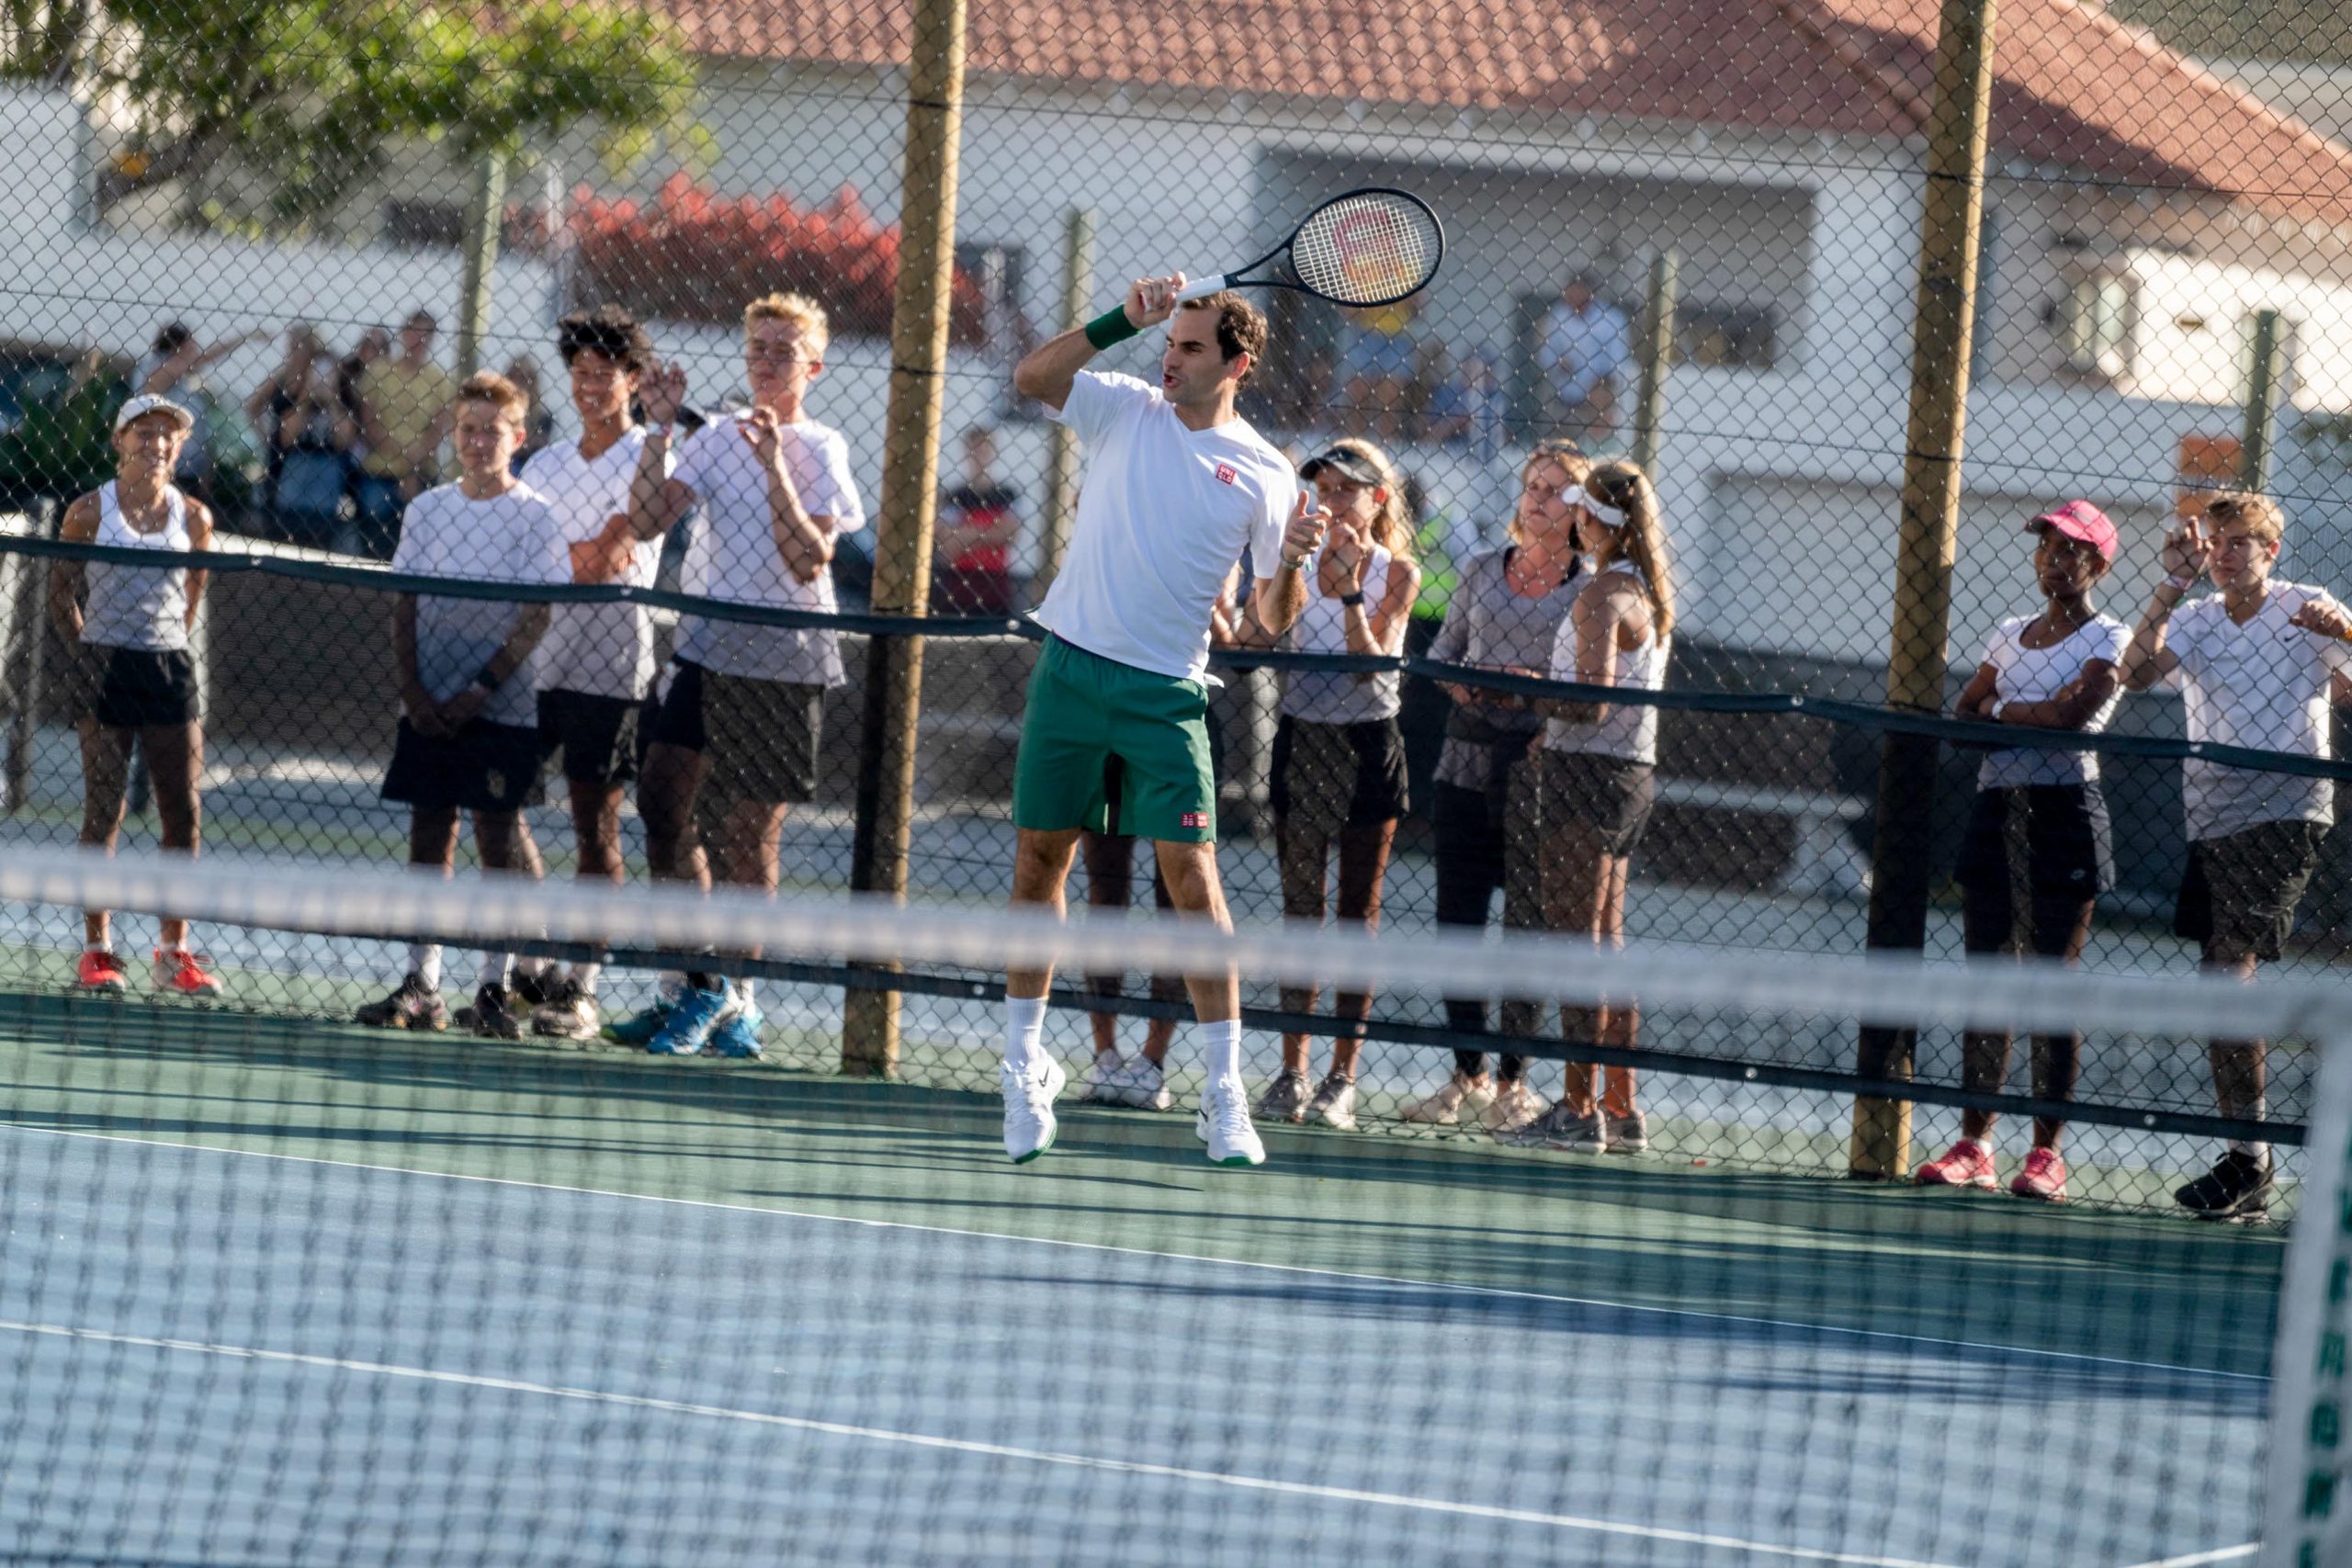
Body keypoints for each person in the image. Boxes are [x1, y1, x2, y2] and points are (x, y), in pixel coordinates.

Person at [997, 276, 1327, 1168]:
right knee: (1039, 865)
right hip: (1069, 671)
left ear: (1236, 365)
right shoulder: (1120, 407)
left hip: (1166, 694)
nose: (1169, 359)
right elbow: (1031, 378)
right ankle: (1023, 1065)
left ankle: (1223, 1096)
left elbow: (1267, 620)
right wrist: (1122, 319)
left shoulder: (1265, 473)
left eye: (1189, 347)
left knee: (1191, 878)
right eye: (1168, 343)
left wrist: (1292, 561)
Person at [597, 292, 865, 1058]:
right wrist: (655, 428)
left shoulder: (824, 447)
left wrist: (775, 461)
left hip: (786, 658)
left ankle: (739, 1002)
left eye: (784, 350)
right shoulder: (709, 438)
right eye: (758, 348)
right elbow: (648, 520)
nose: (767, 360)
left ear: (812, 365)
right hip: (709, 649)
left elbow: (808, 556)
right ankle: (692, 986)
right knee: (662, 800)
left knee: (752, 832)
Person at [2120, 491, 2352, 1223]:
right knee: (2220, 981)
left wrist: (2349, 629)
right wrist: (2170, 581)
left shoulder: (2307, 608)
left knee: (2228, 966)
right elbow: (2131, 672)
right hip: (2212, 818)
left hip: (2287, 811)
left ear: (2269, 551)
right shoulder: (2192, 617)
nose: (2223, 552)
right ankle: (2248, 1156)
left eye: (2239, 541)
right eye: (2216, 541)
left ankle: (2251, 1155)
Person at [1915, 502, 2129, 1204]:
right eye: (2046, 550)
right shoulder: (2008, 634)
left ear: (2098, 565)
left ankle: (2046, 1153)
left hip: (2066, 816)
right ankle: (1975, 1143)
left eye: (2071, 553)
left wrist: (2004, 710)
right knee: (1986, 981)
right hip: (1994, 813)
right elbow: (1962, 719)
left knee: (2049, 984)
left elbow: (2074, 718)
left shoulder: (2110, 635)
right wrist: (2014, 711)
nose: (2054, 563)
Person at [354, 373, 568, 1037]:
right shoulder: (428, 509)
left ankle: (493, 989)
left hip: (500, 712)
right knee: (428, 839)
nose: (478, 441)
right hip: (428, 707)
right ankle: (422, 985)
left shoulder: (536, 515)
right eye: (468, 429)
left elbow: (536, 617)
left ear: (519, 437)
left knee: (496, 844)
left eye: (492, 431)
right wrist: (414, 692)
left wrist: (481, 689)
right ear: (455, 434)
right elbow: (406, 603)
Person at [1399, 441, 1588, 1132]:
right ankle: (1466, 1074)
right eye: (1533, 485)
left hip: (1539, 774)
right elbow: (1443, 653)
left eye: (1557, 489)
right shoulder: (1481, 570)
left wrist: (1543, 713)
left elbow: (1588, 688)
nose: (1539, 497)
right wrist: (1466, 684)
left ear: (1579, 509)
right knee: (1458, 922)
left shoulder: (1588, 586)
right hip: (1465, 764)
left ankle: (1513, 1082)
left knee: (1527, 927)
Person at [1243, 439, 1419, 1132]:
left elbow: (1367, 666)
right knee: (1298, 908)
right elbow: (1259, 634)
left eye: (1349, 488)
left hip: (1368, 744)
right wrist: (1284, 564)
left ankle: (1342, 1079)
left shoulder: (1397, 573)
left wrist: (1347, 588)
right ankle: (1293, 1069)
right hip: (1301, 739)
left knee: (1356, 913)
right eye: (1324, 486)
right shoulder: (1290, 561)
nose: (1334, 499)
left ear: (1378, 500)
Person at [1510, 460, 1673, 1153]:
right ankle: (1620, 1107)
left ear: (1596, 519)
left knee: (1578, 949)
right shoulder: (1642, 589)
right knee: (1605, 947)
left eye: (1581, 508)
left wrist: (1523, 687)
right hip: (1625, 775)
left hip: (1592, 780)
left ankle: (1579, 1112)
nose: (1572, 516)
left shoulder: (1606, 592)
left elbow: (1590, 700)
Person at [514, 306, 663, 1041]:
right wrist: (575, 557)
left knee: (595, 830)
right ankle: (537, 949)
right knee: (498, 801)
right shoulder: (542, 463)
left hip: (612, 670)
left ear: (632, 381)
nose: (590, 386)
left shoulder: (649, 459)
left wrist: (573, 557)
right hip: (537, 662)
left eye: (605, 374)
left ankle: (580, 986)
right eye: (580, 373)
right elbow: (542, 561)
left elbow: (605, 560)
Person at [46, 394, 220, 997]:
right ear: (120, 441)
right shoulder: (88, 511)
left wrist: (167, 637)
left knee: (183, 813)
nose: (157, 443)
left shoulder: (194, 516)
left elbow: (194, 589)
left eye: (167, 435)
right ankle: (98, 951)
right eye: (144, 433)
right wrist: (92, 648)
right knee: (104, 809)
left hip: (169, 667)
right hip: (105, 668)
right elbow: (60, 591)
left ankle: (173, 953)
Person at [354, 310, 458, 558]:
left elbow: (437, 429)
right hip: (379, 472)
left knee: (415, 547)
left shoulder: (439, 380)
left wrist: (412, 468)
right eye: (414, 333)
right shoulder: (378, 372)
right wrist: (405, 455)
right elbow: (369, 423)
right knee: (372, 544)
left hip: (421, 474)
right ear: (402, 335)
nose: (418, 341)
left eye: (426, 335)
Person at [244, 325, 356, 547]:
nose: (293, 353)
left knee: (320, 528)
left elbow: (345, 441)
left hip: (327, 464)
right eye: (291, 347)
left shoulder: (339, 384)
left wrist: (331, 397)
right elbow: (284, 435)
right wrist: (305, 398)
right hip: (290, 462)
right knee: (284, 526)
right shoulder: (285, 379)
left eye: (300, 348)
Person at [134, 321, 263, 509]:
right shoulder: (156, 366)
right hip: (161, 465)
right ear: (179, 346)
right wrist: (244, 336)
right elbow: (156, 384)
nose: (197, 349)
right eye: (192, 344)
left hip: (190, 470)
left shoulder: (187, 379)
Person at [933, 424, 1022, 615]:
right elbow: (948, 544)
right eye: (975, 448)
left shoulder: (1007, 495)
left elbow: (1011, 535)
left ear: (994, 452)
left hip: (996, 584)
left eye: (985, 448)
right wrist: (990, 533)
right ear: (966, 452)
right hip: (958, 584)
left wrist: (966, 533)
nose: (979, 454)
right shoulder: (954, 496)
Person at [1534, 274, 1628, 446]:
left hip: (1595, 402)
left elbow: (1618, 361)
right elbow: (1545, 354)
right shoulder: (1557, 317)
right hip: (1561, 397)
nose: (1574, 298)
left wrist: (1604, 386)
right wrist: (1558, 363)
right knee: (1557, 448)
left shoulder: (1609, 320)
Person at [1335, 300, 1423, 445]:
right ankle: (1353, 447)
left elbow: (1419, 309)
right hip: (1363, 332)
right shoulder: (1361, 276)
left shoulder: (1406, 276)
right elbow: (1347, 310)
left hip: (1398, 335)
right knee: (1357, 399)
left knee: (1390, 399)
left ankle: (1386, 448)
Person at [503, 355, 559, 469]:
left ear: (532, 381)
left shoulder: (543, 417)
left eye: (523, 378)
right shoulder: (501, 413)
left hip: (533, 466)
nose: (517, 382)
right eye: (512, 376)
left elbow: (540, 446)